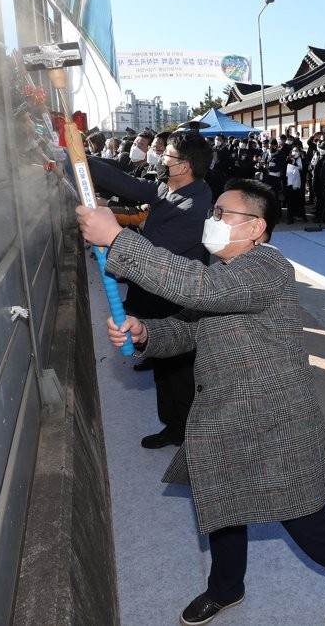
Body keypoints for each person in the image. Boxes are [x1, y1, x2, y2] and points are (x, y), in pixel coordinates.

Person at [76, 179, 325, 626]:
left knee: (310, 526)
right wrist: (146, 334)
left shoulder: (267, 267)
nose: (211, 222)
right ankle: (226, 588)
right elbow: (188, 329)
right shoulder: (222, 274)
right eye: (212, 212)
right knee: (222, 511)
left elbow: (197, 289)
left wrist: (118, 238)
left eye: (222, 214)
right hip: (221, 420)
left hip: (279, 427)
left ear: (256, 228)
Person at [86, 132, 213, 448]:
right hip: (152, 297)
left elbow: (153, 255)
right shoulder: (173, 189)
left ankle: (188, 436)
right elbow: (125, 182)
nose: (161, 159)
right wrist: (77, 160)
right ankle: (173, 427)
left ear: (183, 165)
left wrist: (113, 234)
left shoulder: (194, 207)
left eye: (166, 154)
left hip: (173, 303)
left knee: (178, 375)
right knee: (163, 372)